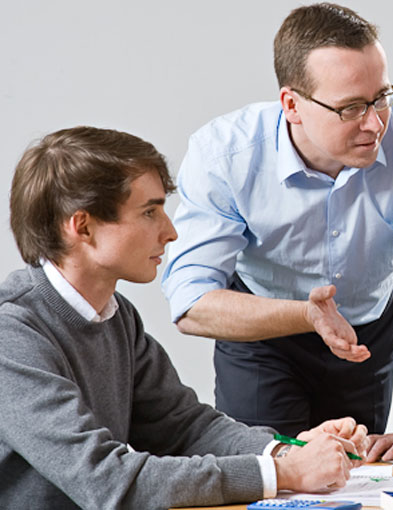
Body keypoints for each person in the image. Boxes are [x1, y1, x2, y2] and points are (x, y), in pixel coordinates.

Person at [161, 3, 393, 461]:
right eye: (351, 108)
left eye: (382, 97)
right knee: (273, 476)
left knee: (359, 474)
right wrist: (306, 315)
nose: (375, 122)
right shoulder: (225, 153)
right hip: (263, 340)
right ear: (292, 105)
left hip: (367, 333)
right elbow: (190, 303)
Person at [0, 126, 368, 509]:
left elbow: (185, 427)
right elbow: (108, 480)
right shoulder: (11, 334)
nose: (170, 232)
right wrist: (284, 474)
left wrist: (285, 451)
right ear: (83, 226)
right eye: (149, 212)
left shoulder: (116, 315)